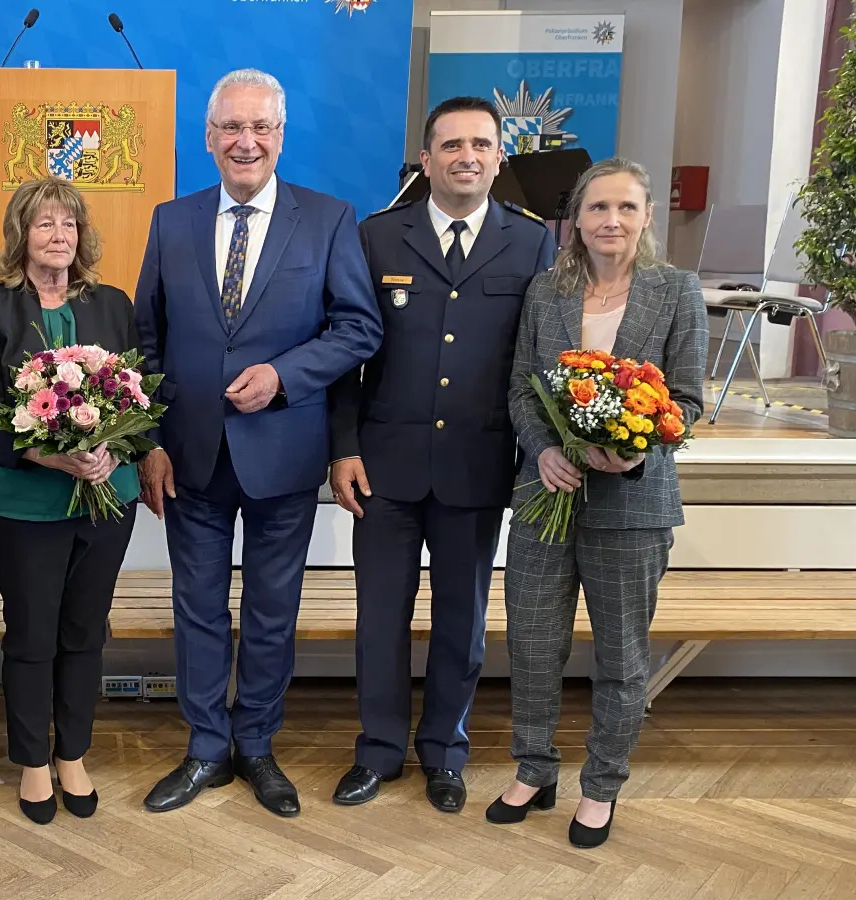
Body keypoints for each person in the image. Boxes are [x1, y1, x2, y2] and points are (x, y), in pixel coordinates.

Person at [134, 69, 382, 818]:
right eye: (231, 128)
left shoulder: (329, 219)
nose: (246, 141)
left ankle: (257, 746)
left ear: (280, 136)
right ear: (208, 138)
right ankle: (206, 747)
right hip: (191, 454)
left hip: (285, 453)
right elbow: (146, 340)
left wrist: (284, 375)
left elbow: (359, 327)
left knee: (273, 612)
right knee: (199, 610)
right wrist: (147, 440)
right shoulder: (171, 221)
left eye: (261, 128)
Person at [326, 97, 557, 815]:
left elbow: (539, 360)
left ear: (498, 158)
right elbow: (345, 355)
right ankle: (379, 752)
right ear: (426, 160)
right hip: (384, 465)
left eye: (480, 145)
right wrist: (343, 448)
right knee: (380, 616)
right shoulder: (374, 236)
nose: (466, 156)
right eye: (450, 144)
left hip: (478, 465)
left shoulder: (532, 243)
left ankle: (446, 754)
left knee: (463, 619)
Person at [486, 158, 706, 848]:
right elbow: (523, 388)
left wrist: (643, 445)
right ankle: (534, 767)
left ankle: (602, 784)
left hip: (632, 505)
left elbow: (690, 400)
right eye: (598, 208)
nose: (612, 221)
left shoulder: (677, 291)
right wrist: (544, 451)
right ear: (575, 219)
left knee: (619, 656)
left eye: (627, 208)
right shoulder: (546, 291)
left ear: (646, 218)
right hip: (546, 493)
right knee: (532, 644)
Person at [0, 177, 140, 824]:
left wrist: (116, 448)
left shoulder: (114, 304)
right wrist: (48, 453)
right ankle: (34, 760)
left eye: (68, 224)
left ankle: (74, 755)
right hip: (25, 501)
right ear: (21, 235)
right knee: (32, 633)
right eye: (43, 224)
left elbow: (141, 395)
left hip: (106, 497)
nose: (58, 235)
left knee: (85, 632)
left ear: (82, 235)